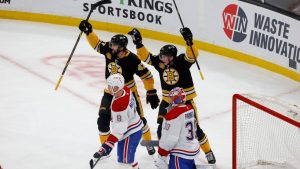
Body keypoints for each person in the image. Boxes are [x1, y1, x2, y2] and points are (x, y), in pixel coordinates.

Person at [128, 27, 216, 163]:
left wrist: (189, 41)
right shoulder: (160, 62)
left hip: (185, 102)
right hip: (167, 101)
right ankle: (164, 155)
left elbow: (192, 55)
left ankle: (208, 151)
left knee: (195, 129)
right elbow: (147, 57)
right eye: (161, 56)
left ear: (171, 57)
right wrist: (138, 43)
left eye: (164, 56)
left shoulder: (182, 62)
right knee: (161, 127)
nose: (161, 58)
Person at [79, 20, 160, 155]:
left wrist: (151, 91)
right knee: (102, 120)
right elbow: (97, 44)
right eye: (112, 44)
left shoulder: (132, 59)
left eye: (115, 46)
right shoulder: (109, 50)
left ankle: (148, 144)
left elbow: (147, 76)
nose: (112, 47)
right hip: (110, 92)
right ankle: (105, 149)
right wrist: (89, 32)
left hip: (128, 94)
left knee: (140, 120)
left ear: (122, 48)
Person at [94, 74, 142, 168]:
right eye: (109, 87)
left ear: (120, 86)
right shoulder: (126, 89)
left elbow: (120, 128)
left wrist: (107, 145)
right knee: (125, 160)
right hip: (132, 128)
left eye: (114, 87)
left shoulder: (119, 105)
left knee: (124, 162)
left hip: (130, 132)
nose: (111, 90)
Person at [155, 87, 199, 169]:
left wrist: (162, 154)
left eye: (172, 98)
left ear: (176, 99)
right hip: (192, 150)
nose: (170, 101)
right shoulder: (190, 109)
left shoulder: (173, 115)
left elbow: (172, 139)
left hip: (180, 154)